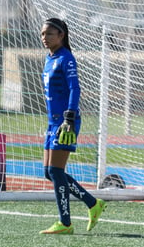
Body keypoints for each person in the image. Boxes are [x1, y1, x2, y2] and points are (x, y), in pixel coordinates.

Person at [39, 18, 106, 235]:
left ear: (61, 35)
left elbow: (75, 89)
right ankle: (92, 203)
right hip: (52, 122)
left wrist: (68, 118)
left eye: (49, 34)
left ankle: (65, 223)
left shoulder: (66, 58)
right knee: (49, 172)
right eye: (43, 34)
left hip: (66, 121)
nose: (45, 38)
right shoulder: (49, 59)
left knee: (56, 170)